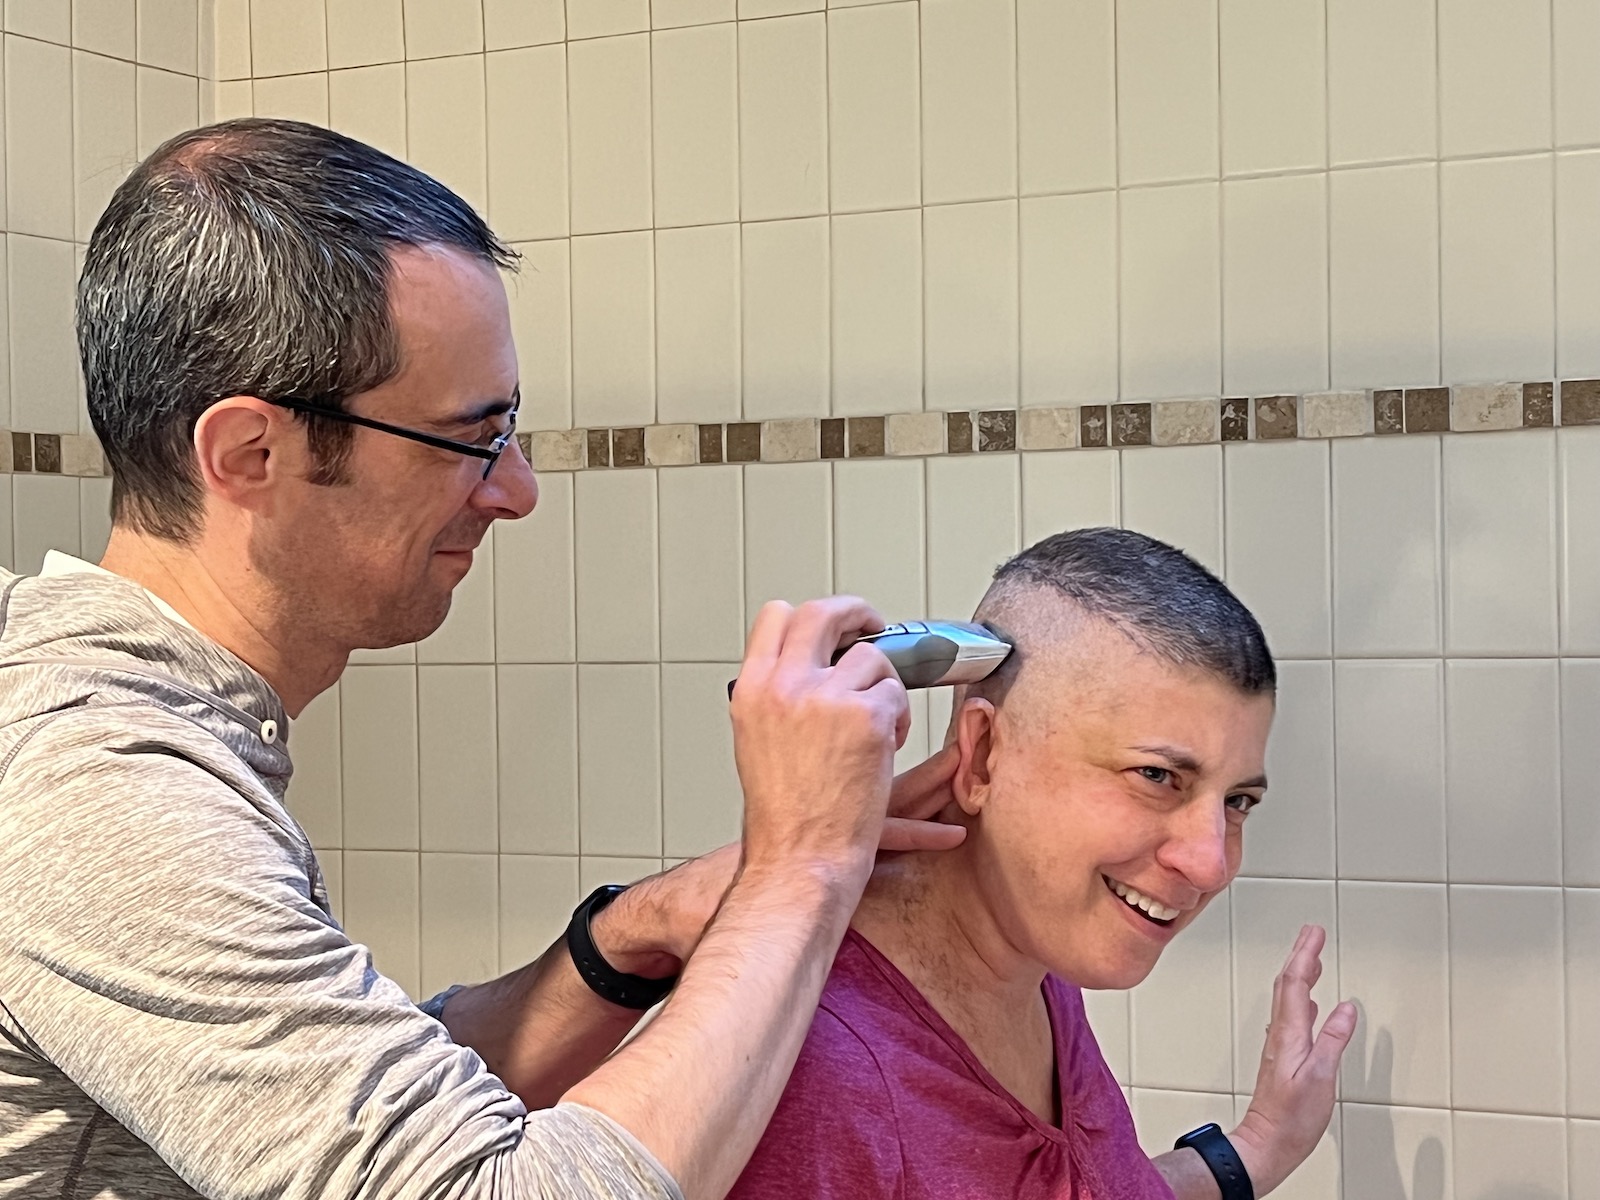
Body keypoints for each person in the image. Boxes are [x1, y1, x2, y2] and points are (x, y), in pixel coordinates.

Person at [0, 119, 964, 1200]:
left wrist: (617, 944)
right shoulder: (105, 793)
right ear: (250, 454)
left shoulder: (113, 721)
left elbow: (352, 1126)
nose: (514, 490)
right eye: (470, 437)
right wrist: (801, 869)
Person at [727, 528, 1359, 1200]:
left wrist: (1257, 1148)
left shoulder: (1035, 953)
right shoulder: (822, 1077)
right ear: (985, 755)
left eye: (1236, 801)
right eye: (1155, 775)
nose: (1210, 865)